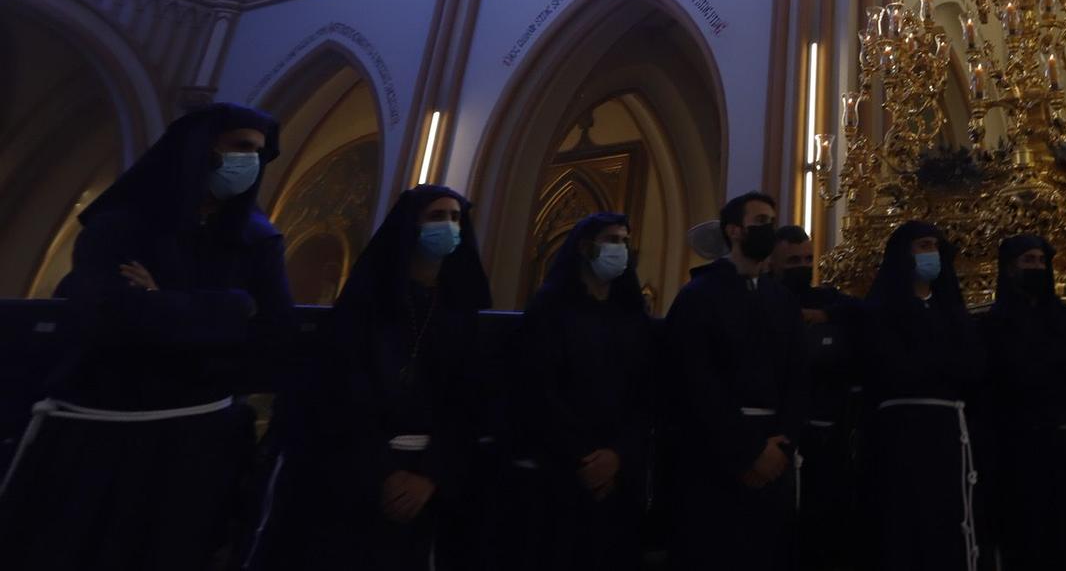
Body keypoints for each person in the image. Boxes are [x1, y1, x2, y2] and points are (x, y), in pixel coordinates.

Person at [0, 103, 292, 571]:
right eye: (241, 147)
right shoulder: (122, 223)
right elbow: (114, 318)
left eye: (259, 152)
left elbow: (273, 340)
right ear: (201, 149)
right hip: (98, 434)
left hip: (198, 441)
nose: (251, 161)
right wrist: (233, 307)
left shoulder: (258, 240)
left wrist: (167, 302)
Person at [255, 184, 492, 570]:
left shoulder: (462, 308)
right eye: (436, 216)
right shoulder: (369, 302)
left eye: (455, 218)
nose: (449, 226)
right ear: (409, 227)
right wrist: (381, 473)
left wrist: (431, 476)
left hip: (429, 476)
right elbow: (339, 391)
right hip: (355, 470)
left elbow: (467, 401)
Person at [658, 190, 804, 571]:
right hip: (716, 459)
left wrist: (782, 446)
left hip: (775, 454)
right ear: (734, 231)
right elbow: (696, 382)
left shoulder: (782, 300)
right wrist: (748, 451)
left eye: (772, 222)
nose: (769, 230)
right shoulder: (698, 296)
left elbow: (796, 378)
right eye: (760, 222)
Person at [504, 212, 651, 571]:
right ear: (586, 248)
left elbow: (646, 392)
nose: (621, 249)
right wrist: (583, 456)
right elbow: (539, 390)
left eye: (625, 241)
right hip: (562, 468)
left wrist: (618, 454)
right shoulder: (551, 308)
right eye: (612, 240)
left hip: (620, 470)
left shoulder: (631, 315)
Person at [856, 220, 985, 571]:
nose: (932, 254)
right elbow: (890, 368)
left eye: (936, 247)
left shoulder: (951, 310)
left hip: (950, 433)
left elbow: (972, 367)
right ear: (904, 254)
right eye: (923, 245)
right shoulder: (881, 309)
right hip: (902, 434)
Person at [980, 234, 1066, 571]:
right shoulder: (998, 321)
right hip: (1021, 445)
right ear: (1010, 269)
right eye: (1029, 261)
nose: (1038, 268)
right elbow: (1008, 371)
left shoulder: (1064, 315)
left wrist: (1044, 363)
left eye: (1042, 261)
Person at [773, 224, 862, 569]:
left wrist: (822, 315)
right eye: (793, 259)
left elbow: (859, 312)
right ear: (773, 263)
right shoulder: (763, 298)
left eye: (808, 258)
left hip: (828, 433)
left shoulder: (826, 299)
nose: (803, 265)